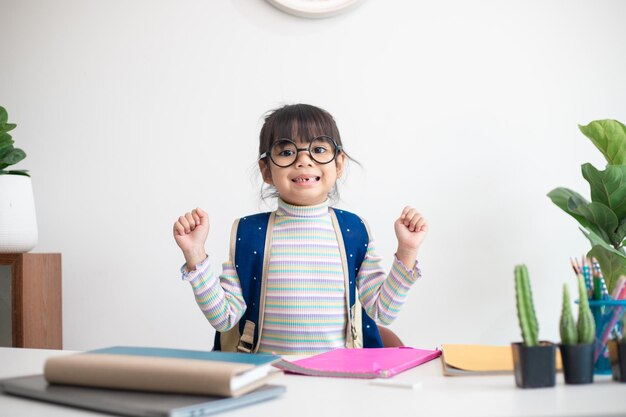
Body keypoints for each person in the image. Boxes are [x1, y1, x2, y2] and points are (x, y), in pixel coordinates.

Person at [173, 103, 428, 355]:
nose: (304, 160)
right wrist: (195, 255)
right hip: (269, 378)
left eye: (318, 149)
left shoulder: (353, 230)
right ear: (266, 171)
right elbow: (224, 319)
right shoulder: (249, 233)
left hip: (339, 379)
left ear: (338, 164)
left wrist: (407, 250)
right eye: (286, 152)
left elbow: (383, 311)